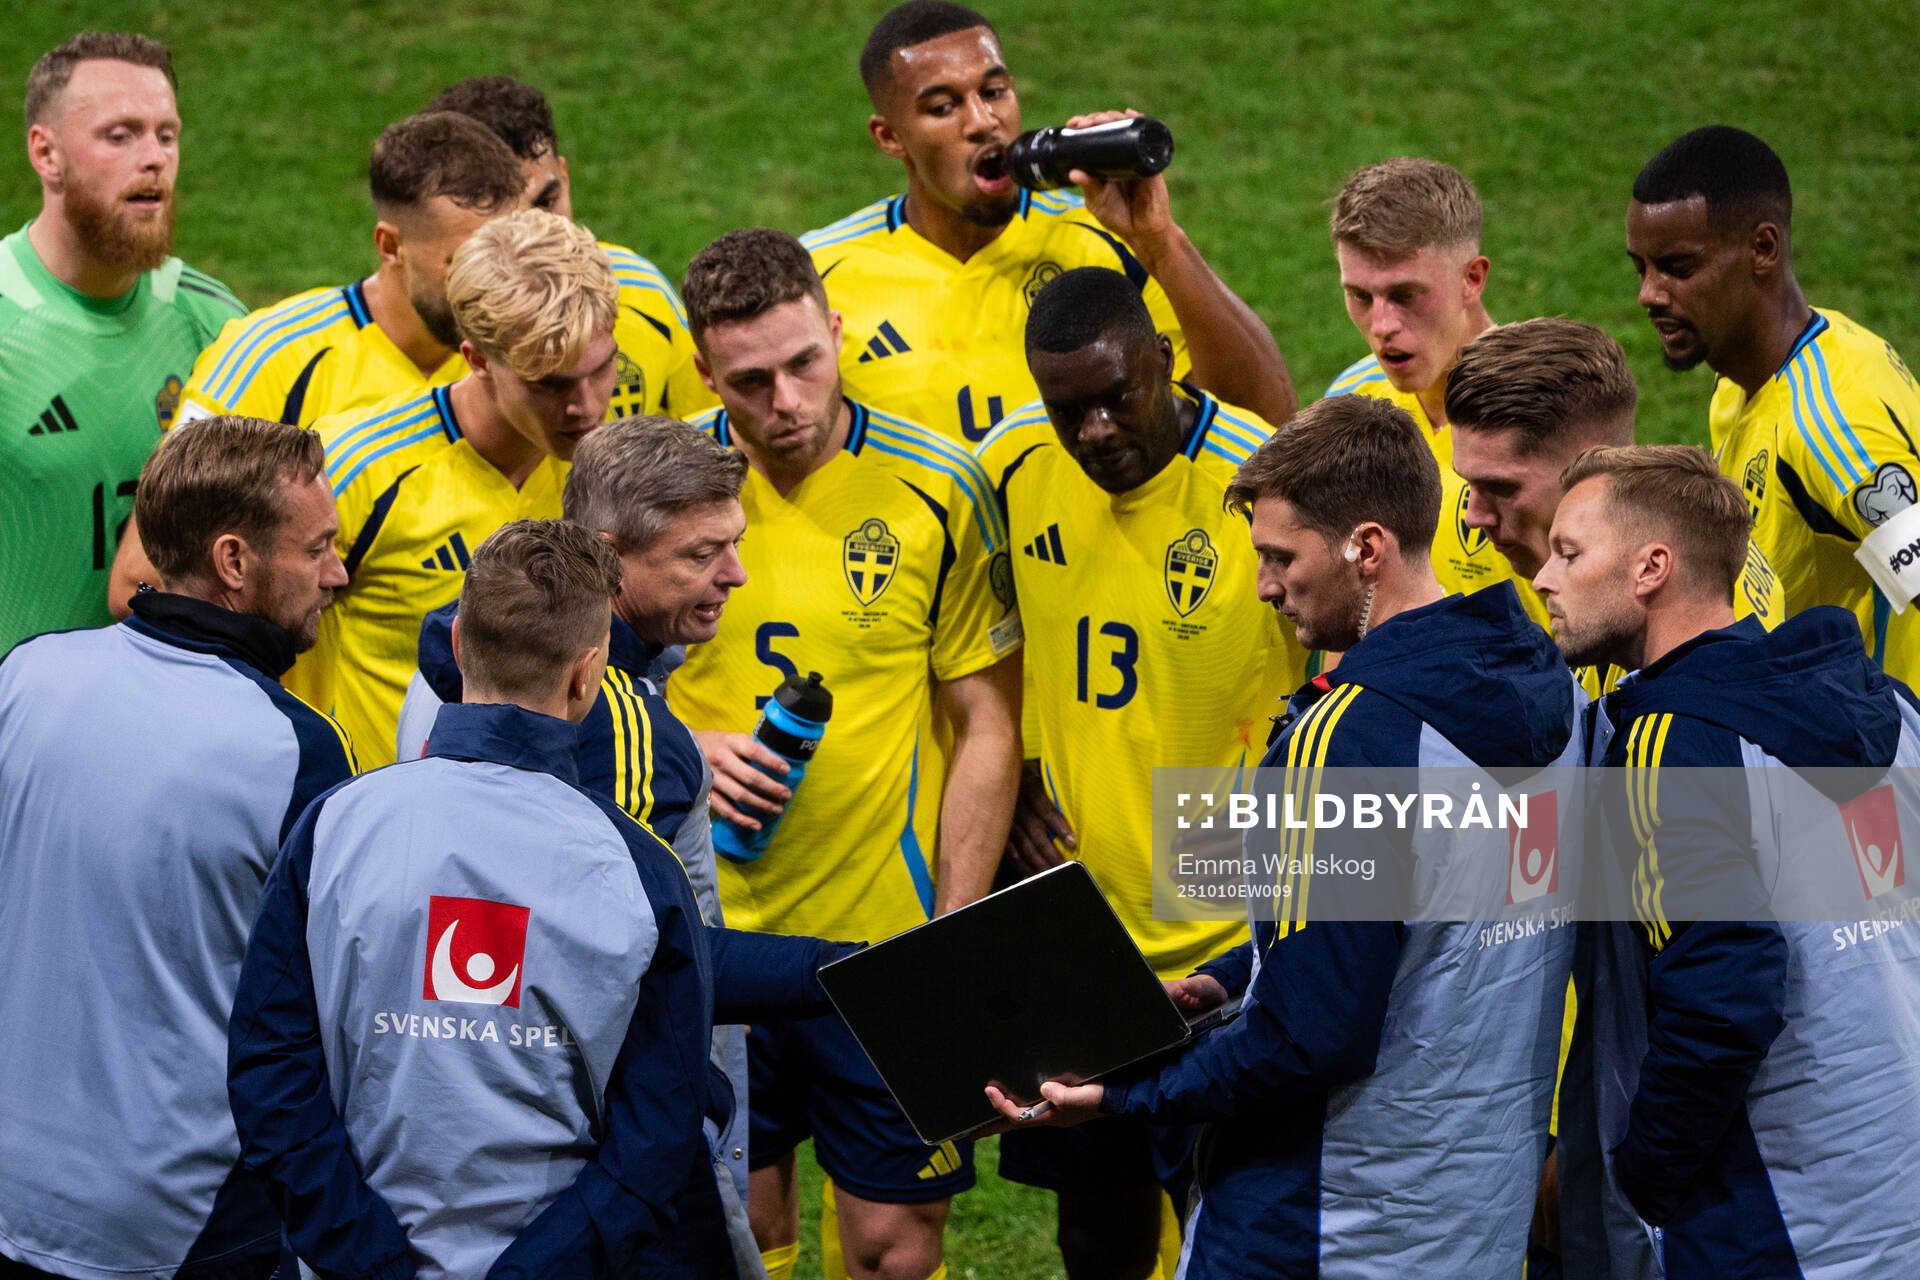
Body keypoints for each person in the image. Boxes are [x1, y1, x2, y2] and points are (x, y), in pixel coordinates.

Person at [989, 393, 1580, 1279]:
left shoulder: (1341, 743)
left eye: (1278, 557)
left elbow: (1313, 1038)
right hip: (1471, 1217)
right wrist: (1233, 976)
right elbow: (1429, 919)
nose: (1265, 584)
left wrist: (1124, 1094)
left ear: (1366, 548)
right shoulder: (1555, 698)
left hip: (1324, 1223)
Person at [229, 519, 733, 1277]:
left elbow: (272, 1074)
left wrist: (368, 1258)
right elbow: (658, 1133)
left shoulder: (335, 824)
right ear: (589, 673)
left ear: (459, 643)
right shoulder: (639, 869)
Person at [674, 228, 1021, 1280]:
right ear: (702, 370)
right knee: (739, 1237)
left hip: (885, 941)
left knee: (893, 1253)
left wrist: (954, 934)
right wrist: (688, 745)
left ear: (835, 328)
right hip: (711, 946)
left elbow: (988, 721)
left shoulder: (939, 486)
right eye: (749, 379)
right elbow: (579, 679)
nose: (784, 398)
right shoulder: (657, 482)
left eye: (802, 363)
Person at [395, 417, 792, 1278]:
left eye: (734, 544)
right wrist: (845, 971)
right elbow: (647, 967)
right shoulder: (622, 729)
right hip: (600, 1158)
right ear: (611, 560)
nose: (735, 574)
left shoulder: (477, 654)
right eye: (702, 555)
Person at [975, 266, 1303, 1278]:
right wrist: (1027, 765)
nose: (1098, 431)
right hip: (1086, 930)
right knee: (1097, 1232)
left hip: (1229, 920)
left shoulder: (1258, 479)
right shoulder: (1015, 466)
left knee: (1238, 1219)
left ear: (1166, 355)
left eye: (1121, 396)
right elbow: (992, 645)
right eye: (1070, 409)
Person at [1534, 444, 1920, 1278]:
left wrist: (1639, 1178)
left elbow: (1726, 995)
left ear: (1651, 569)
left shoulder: (1668, 747)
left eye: (1568, 553)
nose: (1541, 578)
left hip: (1779, 1225)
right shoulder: (1889, 706)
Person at [0, 416, 353, 1279]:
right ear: (235, 562)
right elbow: (332, 1015)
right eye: (318, 549)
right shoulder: (294, 748)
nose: (339, 575)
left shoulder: (26, 673)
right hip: (176, 1220)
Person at [805, 0, 1293, 443]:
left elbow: (1267, 419)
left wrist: (1159, 239)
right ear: (889, 136)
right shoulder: (821, 275)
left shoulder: (1105, 241)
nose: (981, 121)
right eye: (943, 107)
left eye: (993, 91)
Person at [105, 109, 527, 614]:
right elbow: (139, 581)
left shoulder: (519, 358)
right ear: (390, 245)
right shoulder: (271, 356)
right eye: (463, 263)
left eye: (506, 256)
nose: (494, 287)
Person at [286, 207, 617, 768]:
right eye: (550, 384)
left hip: (553, 814)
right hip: (391, 820)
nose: (585, 406)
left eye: (602, 370)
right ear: (476, 359)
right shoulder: (355, 469)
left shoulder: (607, 469)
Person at [1626, 125, 1920, 686]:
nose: (1650, 294)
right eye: (1642, 268)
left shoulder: (1829, 424)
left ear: (1763, 249)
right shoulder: (1738, 383)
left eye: (1678, 268)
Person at [2, 32, 244, 653]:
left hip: (166, 728)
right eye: (120, 135)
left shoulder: (215, 322)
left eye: (167, 135)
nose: (154, 157)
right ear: (46, 154)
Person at [1322, 156, 1544, 623]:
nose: (1382, 326)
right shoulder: (1351, 402)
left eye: (1405, 295)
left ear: (1472, 279)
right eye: (1360, 296)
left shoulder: (1547, 420)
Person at [426, 75, 716, 420]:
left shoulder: (640, 295)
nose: (538, 232)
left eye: (547, 202)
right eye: (504, 220)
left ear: (563, 176)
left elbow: (710, 437)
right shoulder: (434, 341)